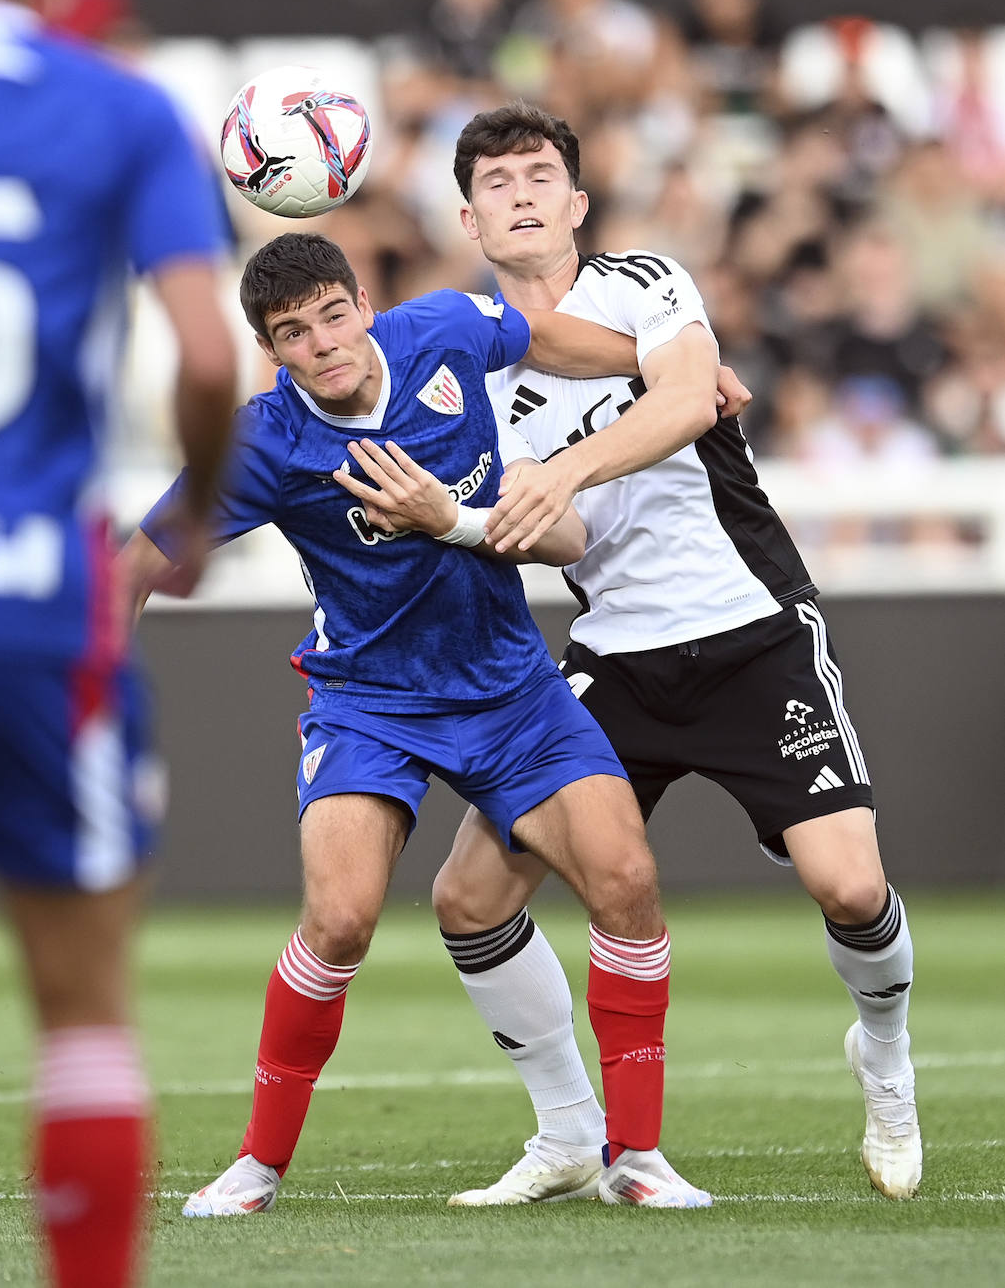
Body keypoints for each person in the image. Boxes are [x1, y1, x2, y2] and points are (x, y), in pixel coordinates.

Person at [124, 230, 720, 1215]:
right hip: (370, 702)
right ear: (274, 354)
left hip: (509, 686)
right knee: (341, 916)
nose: (322, 344)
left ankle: (636, 1159)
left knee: (626, 880)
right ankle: (258, 1166)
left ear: (362, 303)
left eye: (331, 315)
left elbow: (547, 338)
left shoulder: (443, 329)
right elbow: (140, 560)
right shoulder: (265, 441)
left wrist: (667, 370)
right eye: (293, 334)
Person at [429, 101, 922, 1205]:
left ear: (577, 203)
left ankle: (883, 1057)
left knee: (849, 887)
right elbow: (546, 533)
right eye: (496, 181)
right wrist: (467, 510)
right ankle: (566, 1132)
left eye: (539, 174)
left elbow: (691, 395)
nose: (520, 192)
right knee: (468, 896)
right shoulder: (466, 377)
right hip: (614, 658)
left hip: (749, 631)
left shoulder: (642, 282)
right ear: (468, 218)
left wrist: (565, 469)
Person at [0, 0, 238, 1285]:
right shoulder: (119, 108)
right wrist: (195, 513)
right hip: (36, 600)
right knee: (82, 1012)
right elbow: (208, 356)